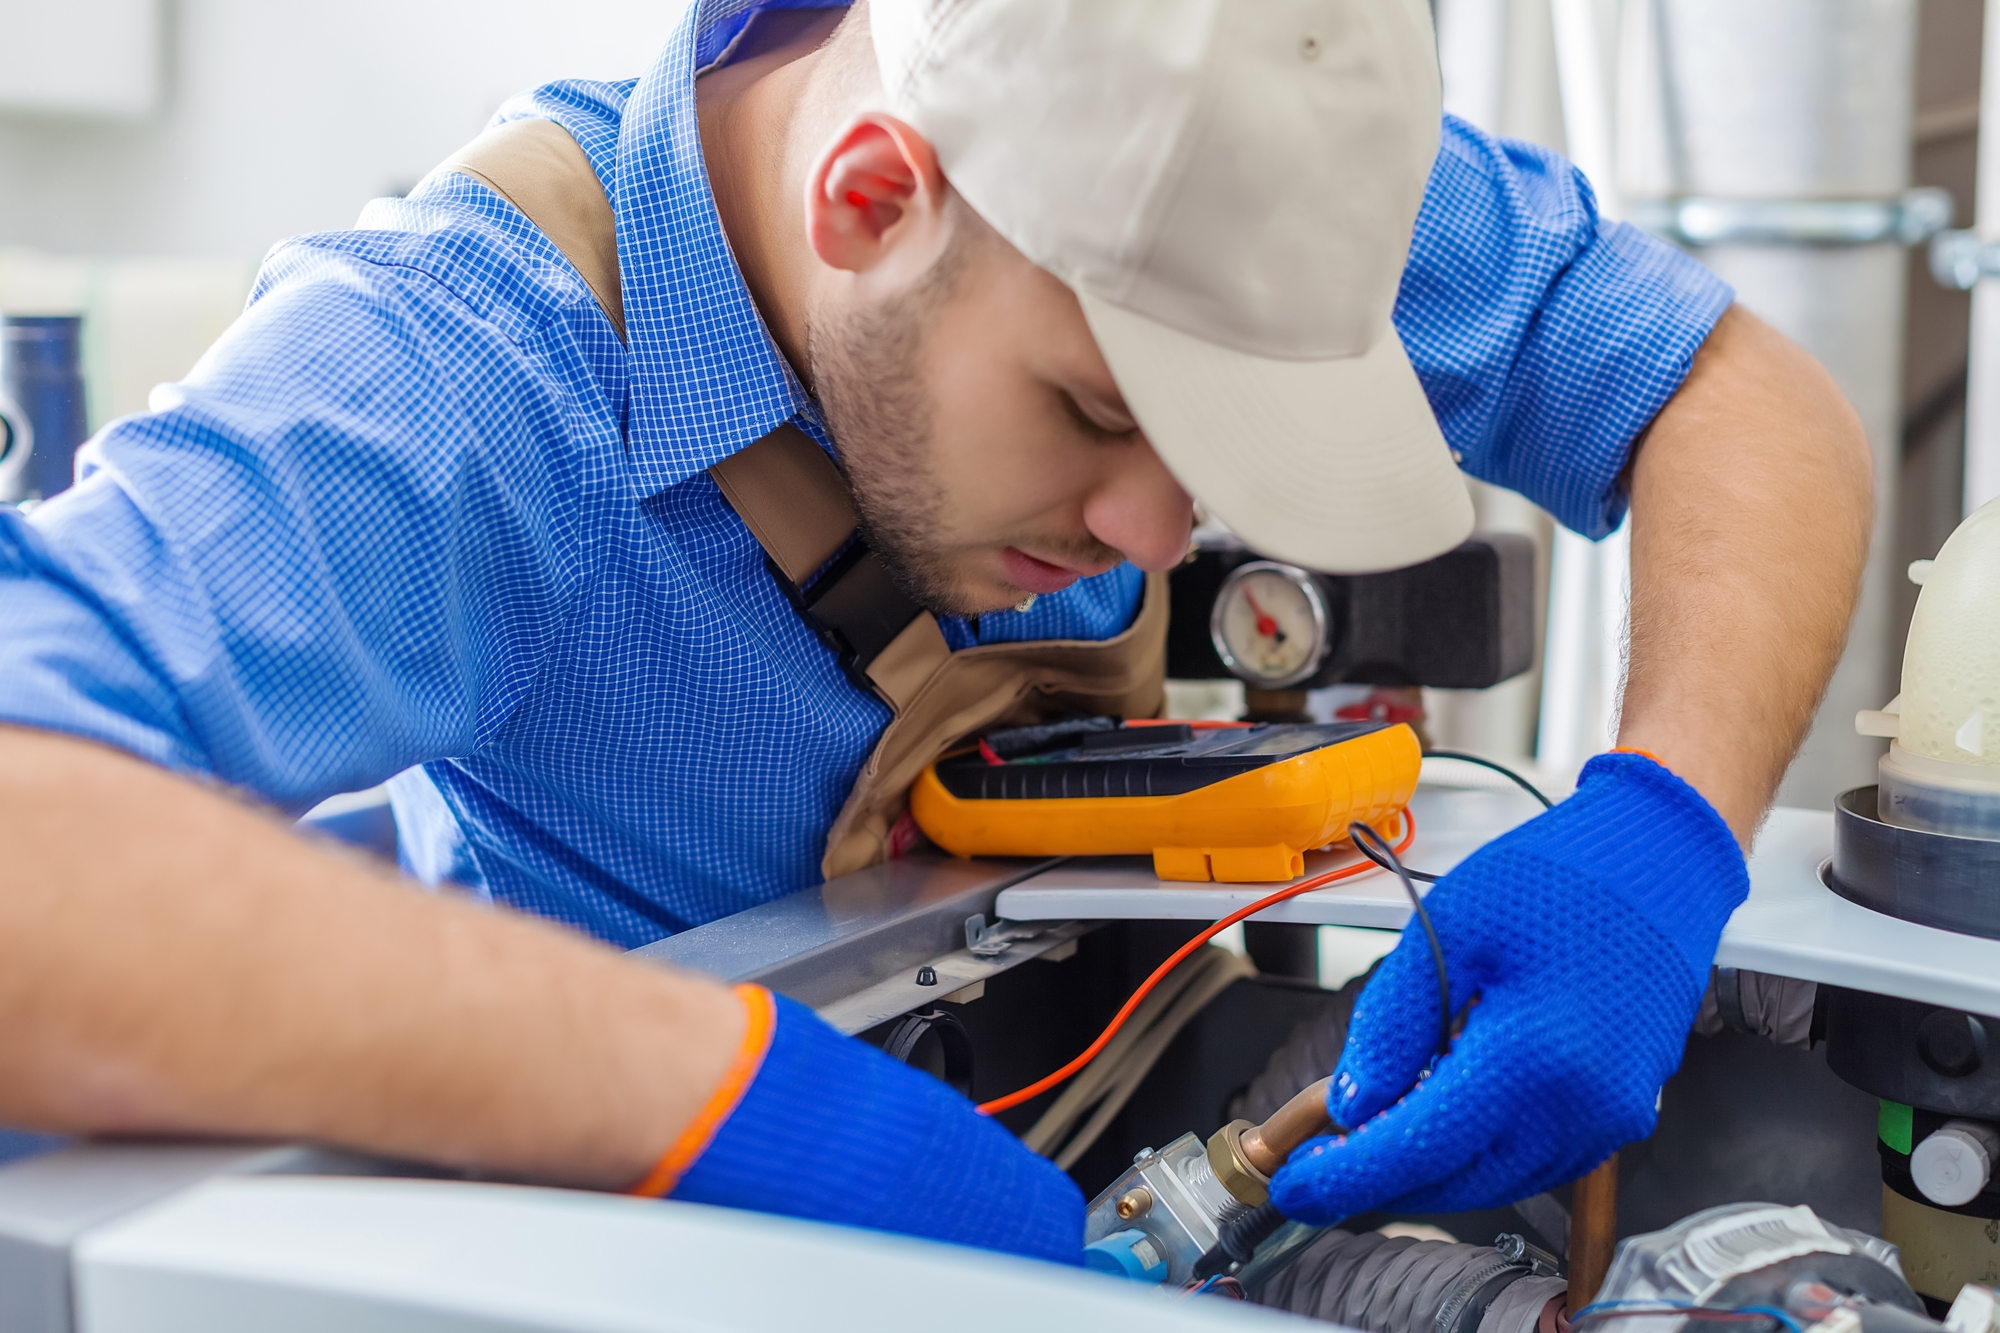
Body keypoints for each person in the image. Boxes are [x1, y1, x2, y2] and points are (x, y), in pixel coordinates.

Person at [0, 0, 1869, 1257]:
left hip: (1119, 1086)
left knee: (1770, 1140)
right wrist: (723, 1097)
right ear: (873, 197)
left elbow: (1729, 388)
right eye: (1094, 408)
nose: (1157, 531)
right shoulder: (455, 381)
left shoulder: (1217, 145)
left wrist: (1660, 828)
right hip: (645, 1229)